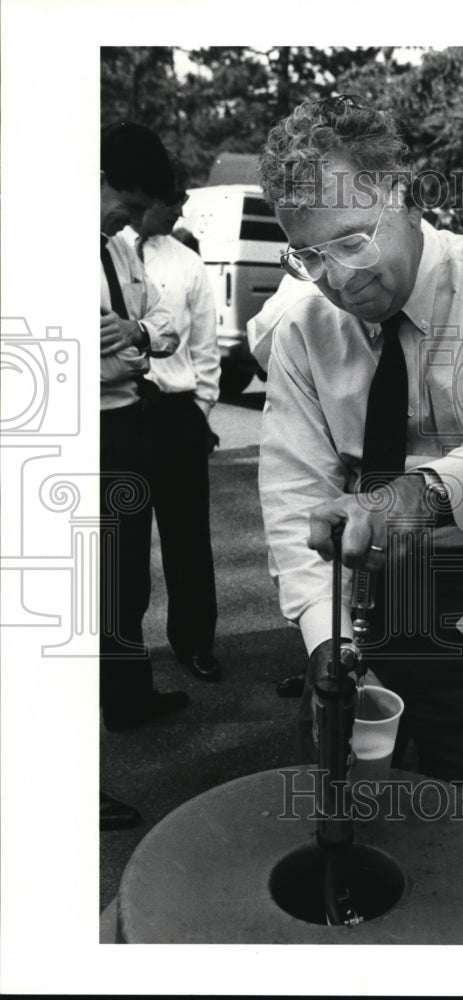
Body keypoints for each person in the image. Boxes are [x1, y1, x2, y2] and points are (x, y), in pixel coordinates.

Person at [256, 95, 463, 802]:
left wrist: (414, 499)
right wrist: (327, 643)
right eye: (308, 256)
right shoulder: (302, 330)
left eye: (351, 241)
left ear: (401, 194)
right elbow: (293, 496)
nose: (337, 279)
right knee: (356, 792)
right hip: (363, 590)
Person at [100, 121, 189, 829]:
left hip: (127, 427)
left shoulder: (122, 251)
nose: (133, 224)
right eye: (126, 205)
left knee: (128, 576)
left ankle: (127, 696)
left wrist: (140, 337)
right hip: (75, 430)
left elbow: (160, 325)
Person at [122, 184, 223, 681]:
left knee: (188, 538)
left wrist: (201, 410)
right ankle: (123, 658)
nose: (180, 213)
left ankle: (195, 642)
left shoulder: (186, 262)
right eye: (172, 204)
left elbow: (205, 342)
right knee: (125, 540)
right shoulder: (110, 253)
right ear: (145, 200)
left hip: (178, 412)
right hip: (125, 411)